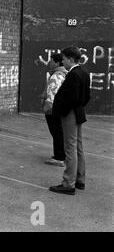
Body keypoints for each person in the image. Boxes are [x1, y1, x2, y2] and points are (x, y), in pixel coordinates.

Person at [50, 46, 90, 195]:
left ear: (71, 59)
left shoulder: (73, 75)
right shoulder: (84, 73)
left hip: (70, 114)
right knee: (78, 147)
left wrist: (61, 112)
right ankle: (80, 179)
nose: (63, 61)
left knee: (70, 148)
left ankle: (68, 183)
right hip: (79, 112)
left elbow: (69, 98)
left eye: (65, 59)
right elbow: (87, 96)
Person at [41, 53, 67, 167]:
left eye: (51, 61)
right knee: (59, 132)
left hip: (53, 109)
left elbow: (52, 93)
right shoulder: (65, 73)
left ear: (57, 62)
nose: (49, 63)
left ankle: (59, 157)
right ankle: (61, 155)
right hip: (59, 108)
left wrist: (48, 108)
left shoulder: (57, 75)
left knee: (56, 132)